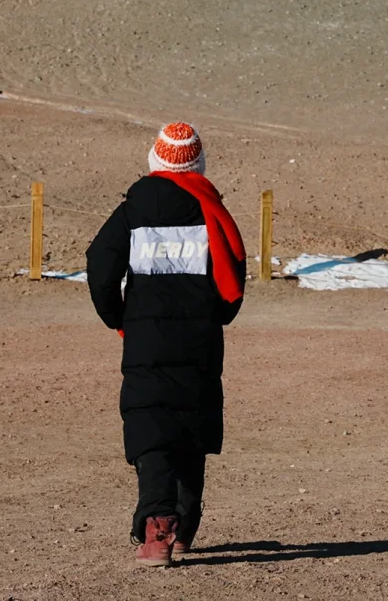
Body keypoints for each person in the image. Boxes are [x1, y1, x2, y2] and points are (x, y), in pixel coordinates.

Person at [86, 121, 246, 567]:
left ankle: (157, 532)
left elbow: (100, 262)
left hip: (145, 340)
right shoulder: (209, 208)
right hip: (199, 339)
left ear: (155, 159)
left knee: (152, 430)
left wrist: (117, 317)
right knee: (190, 432)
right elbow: (233, 273)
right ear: (198, 163)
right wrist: (215, 315)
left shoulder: (134, 208)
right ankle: (182, 532)